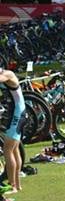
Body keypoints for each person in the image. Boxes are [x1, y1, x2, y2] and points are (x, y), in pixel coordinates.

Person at [0, 66, 27, 194]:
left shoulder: (8, 74)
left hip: (18, 114)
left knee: (7, 149)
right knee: (15, 150)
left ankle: (12, 186)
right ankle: (17, 184)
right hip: (15, 113)